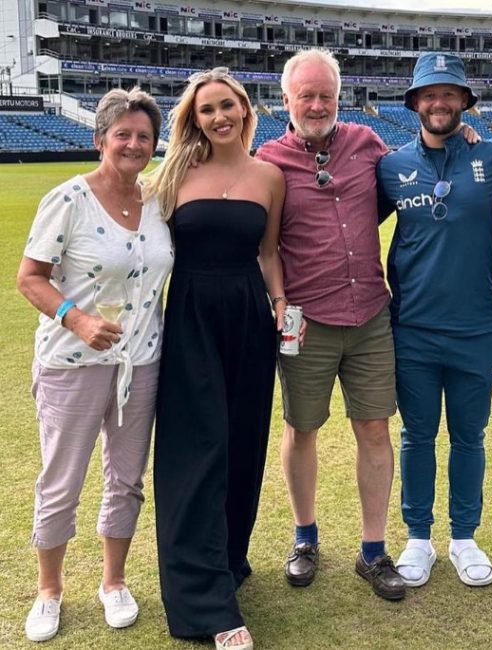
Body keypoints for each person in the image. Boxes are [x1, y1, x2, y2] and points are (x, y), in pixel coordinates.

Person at [17, 88, 171, 642]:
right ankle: (49, 590)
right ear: (99, 139)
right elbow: (29, 277)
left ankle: (113, 581)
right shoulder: (69, 199)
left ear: (155, 145)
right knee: (62, 481)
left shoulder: (158, 200)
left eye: (144, 136)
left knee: (126, 481)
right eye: (122, 134)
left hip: (143, 362)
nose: (133, 144)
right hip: (71, 364)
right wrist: (75, 318)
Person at [255, 49, 406, 600]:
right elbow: (262, 244)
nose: (316, 105)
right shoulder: (268, 160)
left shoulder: (368, 144)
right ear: (286, 101)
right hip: (305, 320)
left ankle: (373, 550)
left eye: (326, 96)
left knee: (373, 428)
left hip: (369, 313)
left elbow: (412, 180)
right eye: (306, 96)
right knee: (301, 429)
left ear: (339, 98)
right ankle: (305, 538)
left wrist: (461, 137)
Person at [144, 67, 285, 650]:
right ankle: (204, 604)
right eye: (207, 110)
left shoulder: (270, 176)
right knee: (196, 450)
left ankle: (227, 561)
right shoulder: (172, 173)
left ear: (245, 109)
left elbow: (269, 251)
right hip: (192, 317)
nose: (219, 116)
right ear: (193, 119)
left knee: (243, 445)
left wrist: (279, 303)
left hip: (251, 318)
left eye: (227, 105)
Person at [377, 52, 492, 590]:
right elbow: (343, 222)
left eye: (449, 93)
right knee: (417, 435)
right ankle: (418, 538)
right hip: (412, 327)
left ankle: (463, 537)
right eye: (429, 94)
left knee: (470, 437)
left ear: (465, 101)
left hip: (477, 330)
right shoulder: (391, 166)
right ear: (415, 103)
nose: (439, 102)